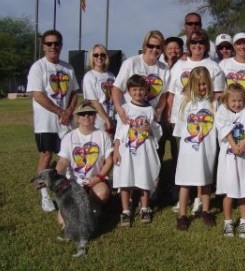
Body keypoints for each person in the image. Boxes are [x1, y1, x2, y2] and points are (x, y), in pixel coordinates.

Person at [167, 30, 225, 214]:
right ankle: (185, 201)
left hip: (206, 122)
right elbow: (172, 92)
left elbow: (218, 95)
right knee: (184, 162)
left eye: (201, 43)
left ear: (206, 45)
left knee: (204, 163)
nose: (197, 46)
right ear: (189, 45)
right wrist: (170, 113)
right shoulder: (179, 65)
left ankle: (201, 200)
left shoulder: (214, 66)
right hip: (184, 120)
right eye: (193, 43)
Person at [26, 29, 79, 212]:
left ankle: (65, 188)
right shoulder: (38, 67)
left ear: (61, 45)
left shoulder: (68, 68)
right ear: (43, 46)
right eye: (49, 43)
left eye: (56, 43)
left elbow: (73, 92)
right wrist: (59, 111)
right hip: (46, 122)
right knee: (46, 155)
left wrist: (69, 111)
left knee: (68, 155)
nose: (53, 46)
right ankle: (44, 196)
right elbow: (38, 95)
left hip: (65, 122)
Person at [112, 75, 162, 227]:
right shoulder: (125, 109)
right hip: (127, 150)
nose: (138, 93)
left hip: (144, 150)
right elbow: (119, 131)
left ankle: (145, 207)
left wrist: (151, 130)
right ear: (128, 91)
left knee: (144, 177)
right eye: (134, 90)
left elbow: (157, 130)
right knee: (126, 179)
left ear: (145, 91)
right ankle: (126, 210)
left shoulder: (149, 110)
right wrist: (116, 150)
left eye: (141, 89)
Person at [173, 67, 218, 231]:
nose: (201, 88)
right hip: (188, 151)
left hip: (207, 149)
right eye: (198, 85)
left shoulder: (213, 103)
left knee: (205, 181)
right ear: (191, 84)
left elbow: (219, 126)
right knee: (185, 183)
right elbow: (179, 129)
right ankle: (183, 215)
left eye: (204, 84)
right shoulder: (185, 103)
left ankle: (205, 211)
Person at [215, 84, 245, 238]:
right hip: (229, 156)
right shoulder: (222, 111)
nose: (237, 104)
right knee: (229, 190)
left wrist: (243, 144)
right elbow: (225, 129)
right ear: (226, 100)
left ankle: (243, 222)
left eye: (240, 101)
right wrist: (234, 145)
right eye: (233, 101)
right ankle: (228, 222)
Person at [55, 101, 113, 225]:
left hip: (96, 180)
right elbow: (63, 161)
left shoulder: (103, 136)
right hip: (74, 183)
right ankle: (78, 208)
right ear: (77, 118)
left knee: (102, 193)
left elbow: (109, 161)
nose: (86, 116)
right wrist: (56, 176)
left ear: (95, 116)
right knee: (61, 221)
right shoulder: (68, 137)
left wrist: (99, 178)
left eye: (90, 113)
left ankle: (94, 206)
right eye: (82, 114)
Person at [112, 30, 170, 126]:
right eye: (151, 46)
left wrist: (157, 113)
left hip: (150, 120)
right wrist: (119, 110)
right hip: (128, 118)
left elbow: (164, 96)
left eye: (158, 47)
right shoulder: (131, 63)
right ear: (145, 46)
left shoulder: (165, 69)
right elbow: (116, 88)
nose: (154, 49)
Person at [157, 37, 184, 194]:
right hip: (160, 116)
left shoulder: (183, 66)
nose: (174, 51)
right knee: (158, 152)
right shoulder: (159, 67)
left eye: (177, 48)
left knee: (177, 152)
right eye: (170, 48)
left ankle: (176, 184)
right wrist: (165, 115)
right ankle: (157, 184)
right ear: (165, 50)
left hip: (177, 118)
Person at [219, 32, 245, 117]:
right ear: (234, 46)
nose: (242, 47)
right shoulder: (223, 64)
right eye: (238, 43)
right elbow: (219, 92)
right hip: (226, 114)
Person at [82, 44, 116, 134]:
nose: (99, 57)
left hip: (112, 119)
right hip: (97, 122)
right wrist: (106, 119)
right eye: (96, 55)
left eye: (102, 55)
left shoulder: (111, 76)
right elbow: (94, 101)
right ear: (92, 57)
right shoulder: (89, 76)